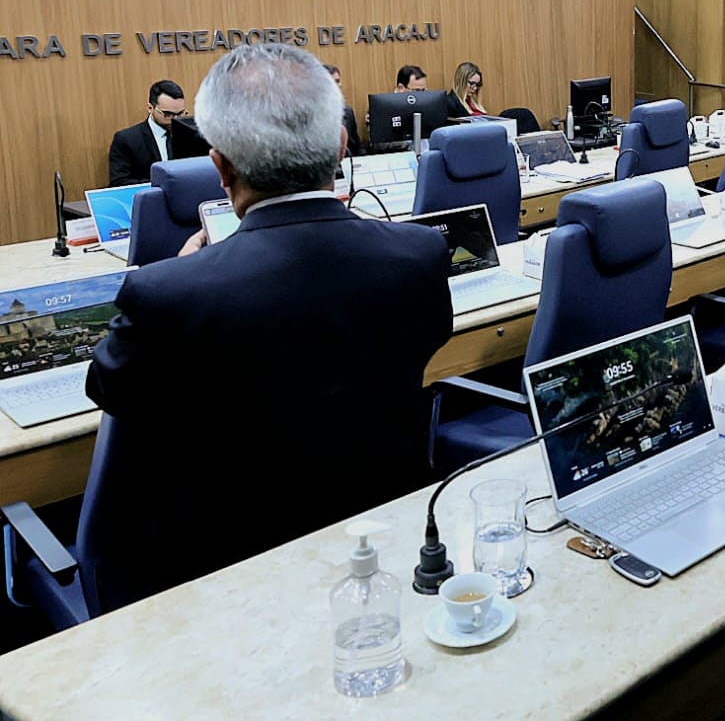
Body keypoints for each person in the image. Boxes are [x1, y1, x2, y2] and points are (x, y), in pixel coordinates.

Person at [86, 42, 453, 601]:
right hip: (385, 551)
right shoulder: (422, 254)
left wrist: (185, 273)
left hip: (225, 582)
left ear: (221, 166)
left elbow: (109, 386)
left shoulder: (166, 292)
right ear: (341, 145)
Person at [107, 81, 186, 186]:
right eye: (167, 114)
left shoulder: (191, 135)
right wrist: (161, 184)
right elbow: (119, 182)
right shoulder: (126, 140)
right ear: (150, 108)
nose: (175, 119)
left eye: (180, 113)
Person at [324, 64, 362, 156]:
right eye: (332, 82)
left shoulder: (348, 112)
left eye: (337, 81)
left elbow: (358, 147)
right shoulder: (314, 116)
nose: (336, 86)